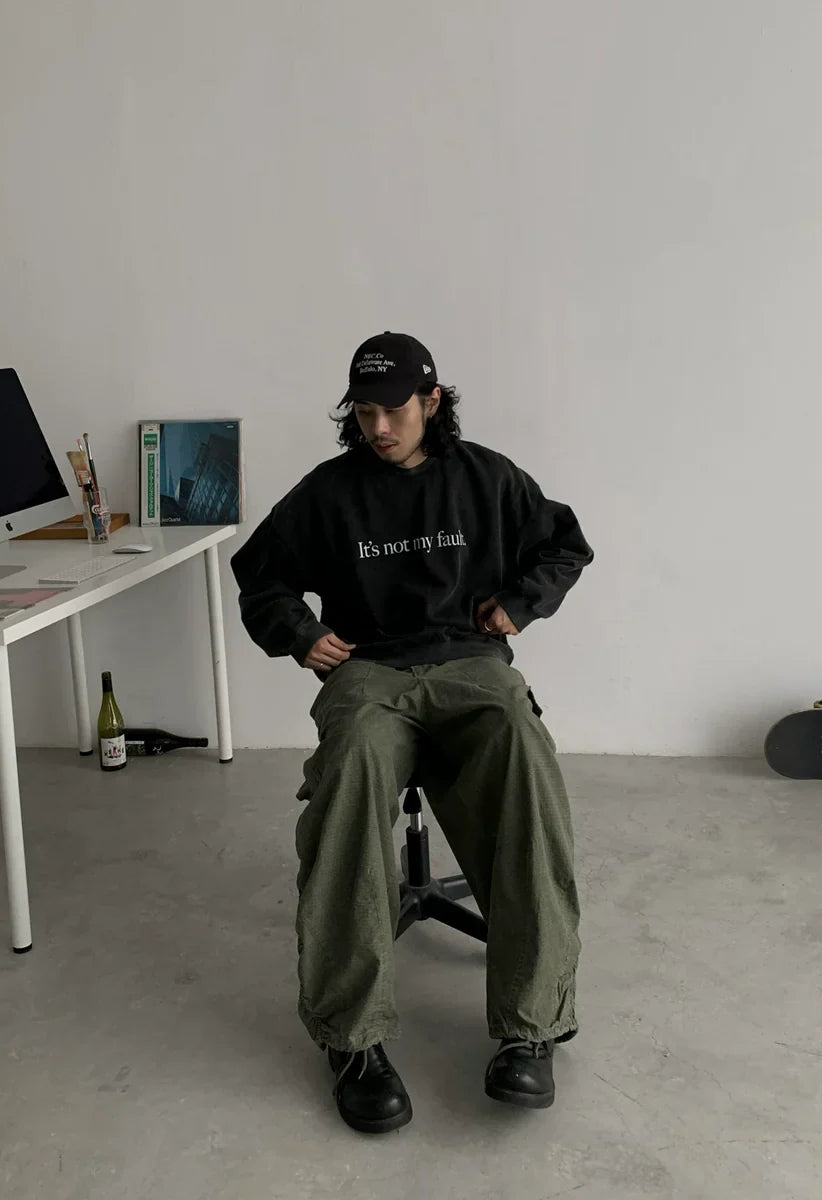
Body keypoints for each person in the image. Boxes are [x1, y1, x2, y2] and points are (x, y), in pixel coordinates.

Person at [229, 331, 594, 1134]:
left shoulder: (487, 479)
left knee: (525, 757)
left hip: (471, 665)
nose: (379, 428)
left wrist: (520, 603)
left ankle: (532, 1024)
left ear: (432, 401)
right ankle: (351, 1038)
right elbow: (261, 575)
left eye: (394, 410)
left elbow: (564, 545)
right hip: (371, 672)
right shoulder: (329, 493)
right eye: (364, 412)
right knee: (349, 772)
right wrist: (298, 632)